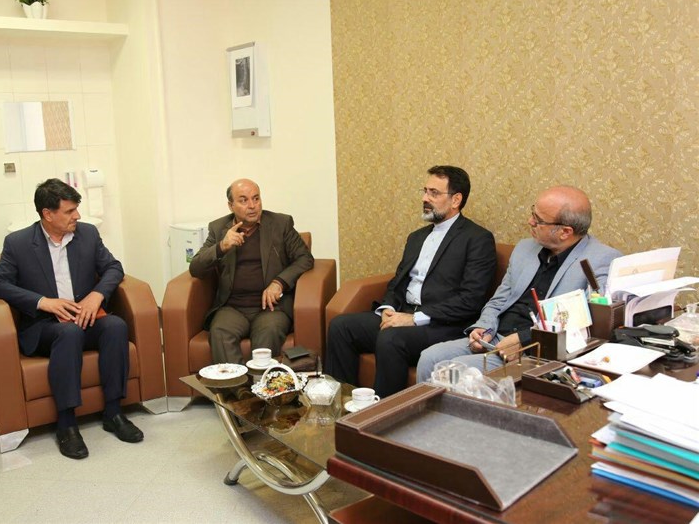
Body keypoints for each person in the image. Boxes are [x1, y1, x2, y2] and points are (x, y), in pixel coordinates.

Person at [0, 178, 142, 460]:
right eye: (70, 211)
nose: (77, 216)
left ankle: (113, 412)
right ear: (48, 214)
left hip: (84, 317)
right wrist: (43, 302)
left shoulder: (87, 234)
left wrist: (96, 296)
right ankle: (67, 424)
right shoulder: (19, 243)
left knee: (115, 326)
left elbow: (113, 268)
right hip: (45, 326)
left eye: (76, 209)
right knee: (69, 334)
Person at [416, 185, 622, 381]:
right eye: (533, 213)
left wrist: (523, 339)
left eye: (538, 220)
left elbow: (584, 322)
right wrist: (483, 328)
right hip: (496, 337)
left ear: (565, 232)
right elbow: (499, 299)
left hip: (535, 350)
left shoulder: (601, 260)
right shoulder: (525, 249)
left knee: (455, 369)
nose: (530, 221)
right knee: (429, 357)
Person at [325, 166, 497, 398]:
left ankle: (385, 413)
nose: (425, 198)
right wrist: (387, 309)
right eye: (425, 191)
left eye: (434, 193)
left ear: (456, 200)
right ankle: (344, 403)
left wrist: (414, 319)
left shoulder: (477, 239)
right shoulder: (416, 237)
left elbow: (471, 300)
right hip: (403, 314)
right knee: (341, 326)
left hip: (441, 325)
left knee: (391, 338)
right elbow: (398, 282)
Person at [189, 179, 314, 364]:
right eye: (244, 200)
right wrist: (221, 246)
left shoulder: (281, 224)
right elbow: (196, 268)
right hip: (233, 307)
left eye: (256, 198)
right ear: (231, 205)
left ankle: (260, 382)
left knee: (268, 332)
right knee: (220, 332)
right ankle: (236, 383)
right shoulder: (218, 228)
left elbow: (305, 258)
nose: (252, 206)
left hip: (271, 308)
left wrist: (279, 282)